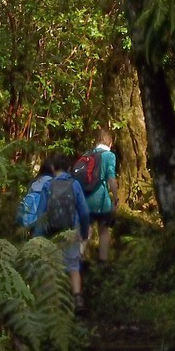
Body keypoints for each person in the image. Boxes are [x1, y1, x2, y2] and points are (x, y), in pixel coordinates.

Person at [41, 152, 91, 310]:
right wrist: (83, 232)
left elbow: (41, 213)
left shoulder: (48, 186)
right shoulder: (75, 185)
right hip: (71, 230)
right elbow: (84, 212)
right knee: (73, 265)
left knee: (52, 265)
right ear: (69, 168)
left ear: (53, 168)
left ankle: (53, 303)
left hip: (52, 231)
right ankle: (78, 299)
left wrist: (38, 236)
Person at [82, 127, 119, 264]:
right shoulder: (109, 156)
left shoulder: (88, 154)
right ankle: (103, 262)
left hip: (85, 198)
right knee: (103, 230)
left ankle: (80, 259)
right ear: (110, 143)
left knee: (87, 229)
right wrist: (116, 197)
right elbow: (111, 178)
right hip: (101, 200)